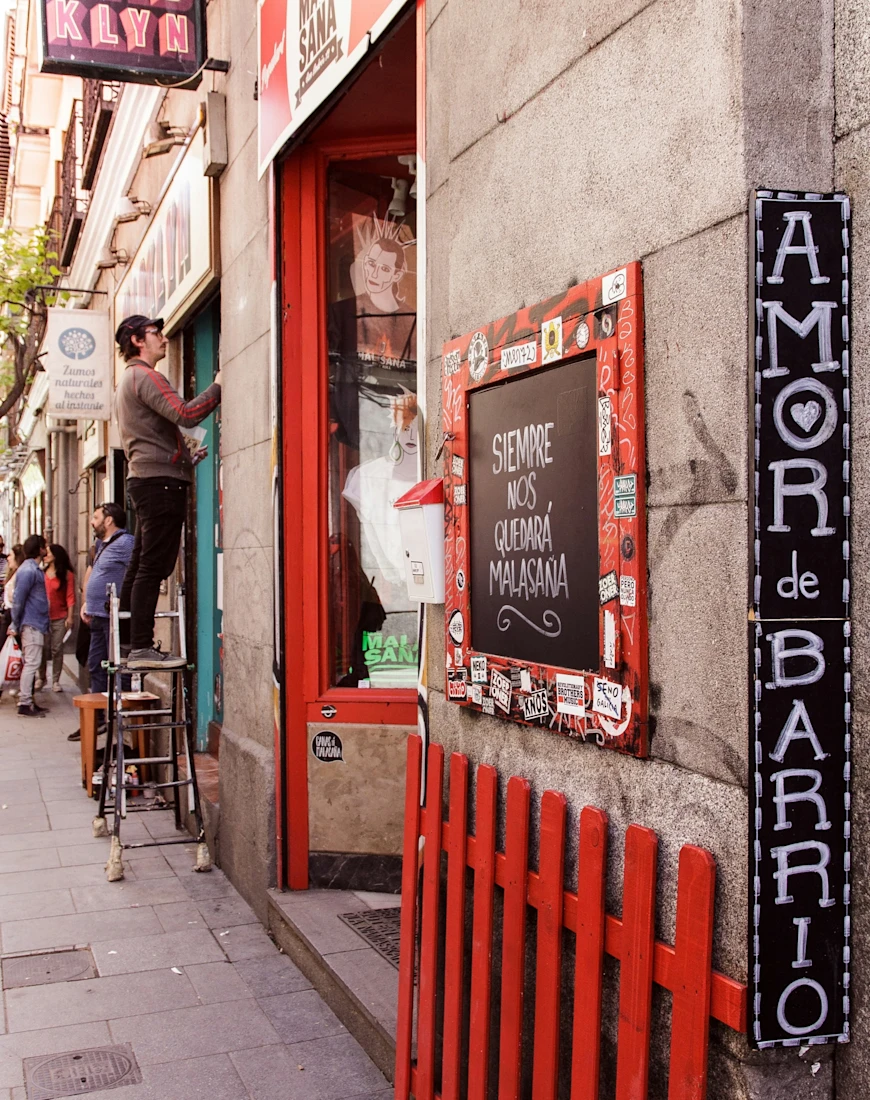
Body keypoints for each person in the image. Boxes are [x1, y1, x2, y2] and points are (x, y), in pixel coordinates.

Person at [114, 315, 221, 669]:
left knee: (142, 563)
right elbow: (186, 413)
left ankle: (131, 643)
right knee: (153, 566)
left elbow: (154, 435)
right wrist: (219, 385)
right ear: (137, 341)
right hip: (159, 484)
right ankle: (142, 646)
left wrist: (185, 458)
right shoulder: (146, 376)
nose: (163, 338)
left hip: (148, 480)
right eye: (155, 333)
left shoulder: (129, 380)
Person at [82, 503, 135, 695]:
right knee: (96, 665)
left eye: (95, 518)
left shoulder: (126, 542)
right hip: (97, 615)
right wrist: (88, 602)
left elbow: (137, 573)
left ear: (109, 520)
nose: (92, 522)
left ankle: (121, 712)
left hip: (112, 616)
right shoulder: (102, 545)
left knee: (119, 668)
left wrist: (125, 599)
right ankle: (99, 720)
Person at [8, 534, 48, 717]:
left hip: (35, 622)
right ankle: (25, 703)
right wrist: (15, 623)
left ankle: (29, 701)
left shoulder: (32, 569)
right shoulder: (29, 570)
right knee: (31, 664)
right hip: (32, 623)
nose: (46, 548)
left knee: (32, 662)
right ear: (39, 548)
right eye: (44, 545)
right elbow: (19, 599)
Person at [38, 544, 74, 692]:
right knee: (42, 648)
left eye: (48, 553)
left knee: (57, 649)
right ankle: (41, 677)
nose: (45, 555)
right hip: (43, 618)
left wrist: (70, 617)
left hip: (59, 617)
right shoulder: (41, 573)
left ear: (56, 556)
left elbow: (70, 596)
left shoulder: (66, 575)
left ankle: (55, 681)